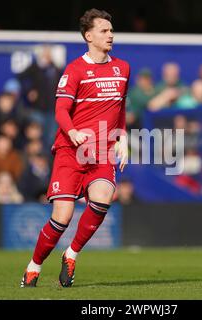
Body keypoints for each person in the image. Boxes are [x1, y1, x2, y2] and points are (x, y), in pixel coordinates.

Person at [20, 8, 130, 288]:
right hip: (71, 150)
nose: (110, 34)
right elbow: (60, 111)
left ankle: (71, 254)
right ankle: (33, 266)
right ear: (88, 35)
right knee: (62, 217)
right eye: (104, 30)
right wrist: (73, 132)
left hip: (103, 150)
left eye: (111, 29)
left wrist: (123, 138)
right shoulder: (75, 70)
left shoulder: (123, 68)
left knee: (104, 197)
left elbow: (120, 108)